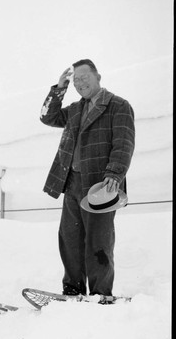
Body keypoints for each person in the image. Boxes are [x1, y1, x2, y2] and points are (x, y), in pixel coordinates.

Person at [40, 59, 135, 298]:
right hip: (71, 182)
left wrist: (114, 173)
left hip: (100, 185)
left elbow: (123, 144)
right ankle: (73, 289)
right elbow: (47, 117)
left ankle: (100, 293)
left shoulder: (118, 106)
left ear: (98, 77)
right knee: (70, 239)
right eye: (76, 81)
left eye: (85, 78)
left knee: (98, 240)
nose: (80, 83)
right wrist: (58, 89)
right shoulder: (75, 109)